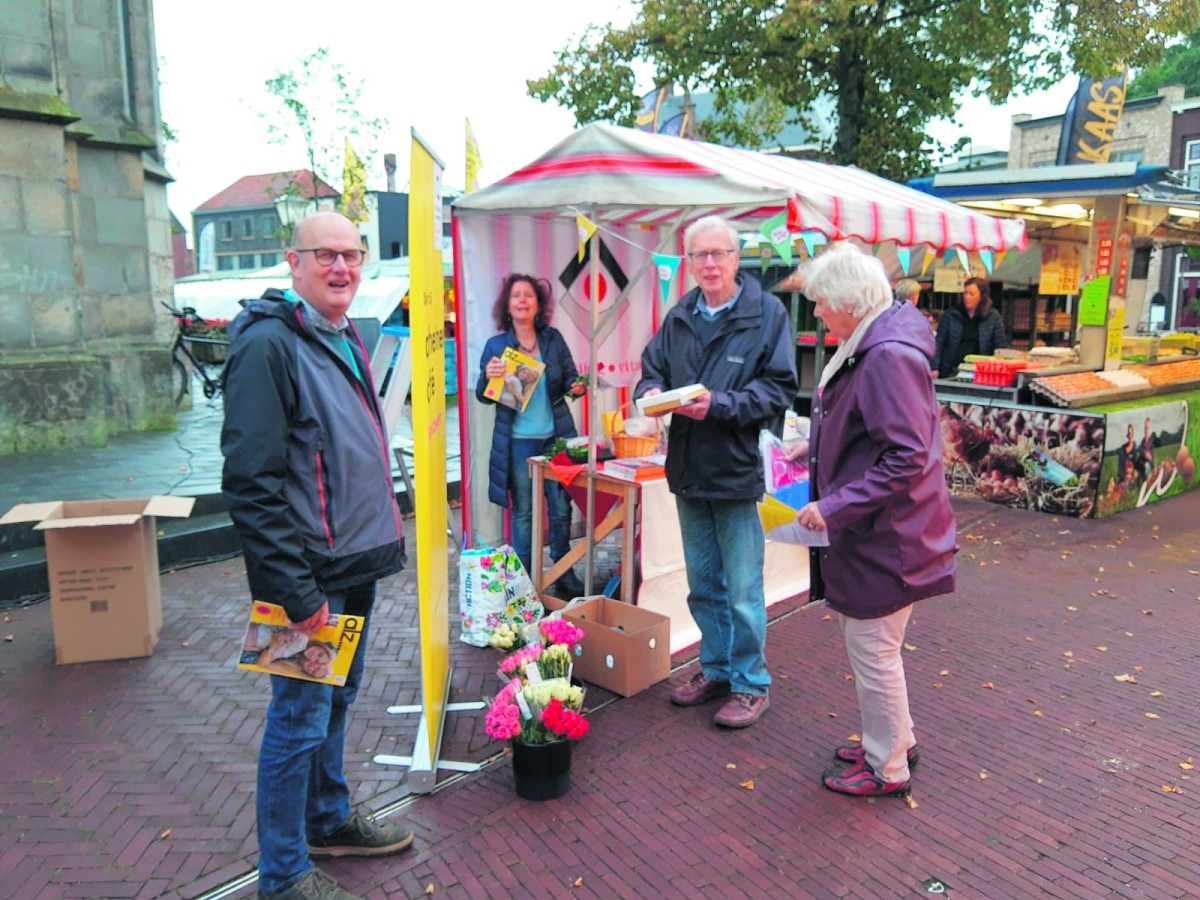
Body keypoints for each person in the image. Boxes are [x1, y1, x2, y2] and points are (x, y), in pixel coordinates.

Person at [222, 212, 413, 900]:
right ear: (293, 263)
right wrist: (295, 591)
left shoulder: (337, 335)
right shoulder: (271, 346)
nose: (342, 269)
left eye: (353, 256)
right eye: (326, 256)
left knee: (333, 704)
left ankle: (328, 818)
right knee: (298, 718)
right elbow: (251, 482)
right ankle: (282, 874)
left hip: (351, 566)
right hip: (307, 578)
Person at [793, 242, 957, 798]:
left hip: (887, 538)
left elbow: (906, 455)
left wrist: (832, 506)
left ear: (848, 302)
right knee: (877, 646)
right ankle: (894, 739)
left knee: (873, 649)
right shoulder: (881, 343)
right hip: (887, 533)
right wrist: (811, 451)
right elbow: (881, 436)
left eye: (820, 302)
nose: (816, 312)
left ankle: (887, 765)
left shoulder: (884, 354)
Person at [635, 215, 799, 730]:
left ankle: (752, 683)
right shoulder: (680, 313)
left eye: (718, 254)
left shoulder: (767, 313)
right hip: (687, 468)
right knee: (703, 584)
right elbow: (652, 367)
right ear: (688, 262)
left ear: (736, 258)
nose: (709, 264)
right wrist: (649, 392)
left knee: (745, 589)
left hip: (737, 468)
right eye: (699, 255)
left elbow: (779, 388)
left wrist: (720, 405)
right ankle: (717, 668)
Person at [476, 274, 586, 598]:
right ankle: (522, 579)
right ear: (507, 306)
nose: (522, 301)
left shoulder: (553, 339)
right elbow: (485, 396)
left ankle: (563, 570)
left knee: (561, 508)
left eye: (528, 296)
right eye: (516, 296)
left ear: (538, 304)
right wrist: (488, 377)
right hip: (518, 442)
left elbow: (569, 380)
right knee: (523, 511)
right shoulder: (496, 346)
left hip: (556, 439)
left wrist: (576, 387)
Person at [930, 276, 1008, 379]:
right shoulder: (951, 315)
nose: (967, 297)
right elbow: (938, 343)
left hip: (981, 372)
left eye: (971, 294)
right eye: (965, 293)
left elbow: (1000, 346)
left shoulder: (993, 317)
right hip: (951, 369)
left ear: (982, 296)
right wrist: (934, 367)